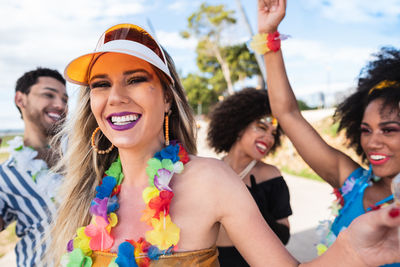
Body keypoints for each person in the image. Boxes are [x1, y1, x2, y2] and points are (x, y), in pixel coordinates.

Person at [49, 17, 400, 267]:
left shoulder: (211, 180)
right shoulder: (91, 192)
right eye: (100, 84)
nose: (115, 97)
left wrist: (351, 255)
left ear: (168, 99)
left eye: (135, 79)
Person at [258, 0, 400, 266]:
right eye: (365, 130)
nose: (373, 141)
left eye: (389, 130)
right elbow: (288, 114)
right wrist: (268, 34)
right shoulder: (353, 184)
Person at [207, 88, 291, 266]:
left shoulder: (271, 176)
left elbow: (284, 235)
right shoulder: (210, 171)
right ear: (239, 126)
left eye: (273, 134)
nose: (268, 138)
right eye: (261, 127)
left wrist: (255, 207)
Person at [0, 67, 68, 266]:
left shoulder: (85, 156)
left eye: (65, 99)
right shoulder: (5, 176)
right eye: (49, 94)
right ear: (20, 100)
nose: (60, 105)